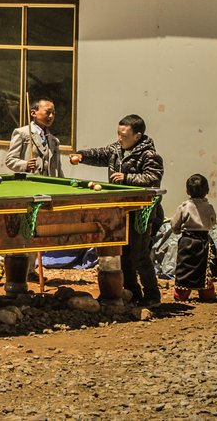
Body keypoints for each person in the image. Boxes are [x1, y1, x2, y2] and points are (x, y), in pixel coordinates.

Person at [69, 114, 164, 307]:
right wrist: (82, 156)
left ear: (137, 136)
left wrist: (127, 178)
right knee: (124, 254)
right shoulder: (116, 149)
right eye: (118, 134)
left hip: (142, 213)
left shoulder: (150, 155)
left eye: (124, 135)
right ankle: (132, 292)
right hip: (120, 210)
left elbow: (153, 178)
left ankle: (152, 296)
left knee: (140, 254)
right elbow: (100, 153)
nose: (120, 138)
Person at [0, 97, 64, 281]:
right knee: (19, 228)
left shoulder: (53, 140)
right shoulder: (23, 133)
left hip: (45, 190)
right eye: (47, 111)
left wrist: (62, 186)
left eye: (53, 112)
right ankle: (1, 261)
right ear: (33, 113)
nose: (51, 116)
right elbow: (10, 160)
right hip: (25, 190)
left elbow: (57, 169)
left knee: (36, 229)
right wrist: (25, 164)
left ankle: (30, 269)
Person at [171, 174, 217, 302]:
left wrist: (177, 231)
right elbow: (213, 222)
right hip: (203, 241)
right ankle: (207, 294)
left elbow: (175, 224)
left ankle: (181, 295)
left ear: (187, 191)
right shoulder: (209, 208)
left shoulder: (184, 207)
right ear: (207, 191)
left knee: (184, 268)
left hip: (187, 241)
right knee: (205, 269)